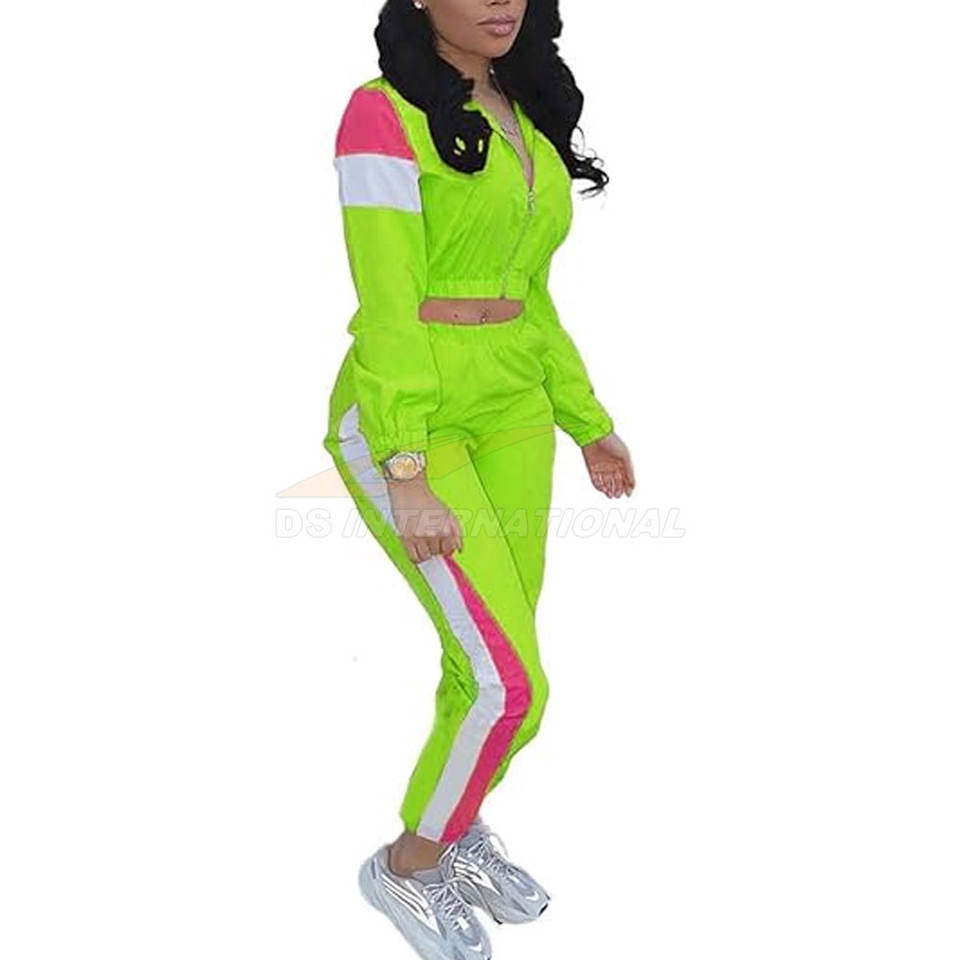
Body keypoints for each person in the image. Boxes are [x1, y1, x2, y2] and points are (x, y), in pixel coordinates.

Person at [323, 2, 634, 957]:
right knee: (513, 685)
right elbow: (387, 302)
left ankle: (454, 824)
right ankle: (409, 863)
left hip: (514, 408)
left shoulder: (523, 107)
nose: (501, 1)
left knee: (490, 668)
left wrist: (586, 420)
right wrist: (406, 466)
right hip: (409, 415)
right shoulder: (381, 113)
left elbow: (529, 294)